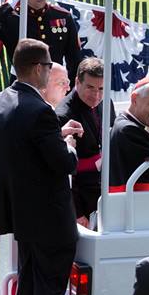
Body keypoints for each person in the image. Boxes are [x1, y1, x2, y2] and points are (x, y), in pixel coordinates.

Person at [0, 38, 84, 295]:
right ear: (39, 68)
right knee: (48, 293)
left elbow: (24, 147)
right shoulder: (39, 110)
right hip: (50, 218)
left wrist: (56, 134)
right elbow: (62, 164)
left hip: (22, 215)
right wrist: (67, 143)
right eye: (48, 66)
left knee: (27, 289)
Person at [55, 57, 117, 225]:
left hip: (106, 188)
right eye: (90, 87)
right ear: (77, 82)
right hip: (82, 195)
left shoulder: (106, 103)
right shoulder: (64, 115)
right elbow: (65, 172)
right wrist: (77, 212)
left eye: (102, 89)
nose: (96, 95)